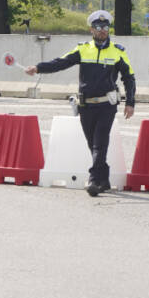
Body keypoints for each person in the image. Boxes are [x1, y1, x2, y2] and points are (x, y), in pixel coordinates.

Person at [25, 10, 135, 196]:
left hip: (106, 105)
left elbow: (129, 78)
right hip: (86, 105)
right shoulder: (83, 49)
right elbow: (60, 63)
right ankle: (104, 179)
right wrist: (38, 68)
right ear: (91, 30)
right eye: (99, 27)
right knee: (92, 144)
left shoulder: (118, 52)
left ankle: (93, 180)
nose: (103, 30)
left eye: (105, 27)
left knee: (100, 143)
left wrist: (130, 102)